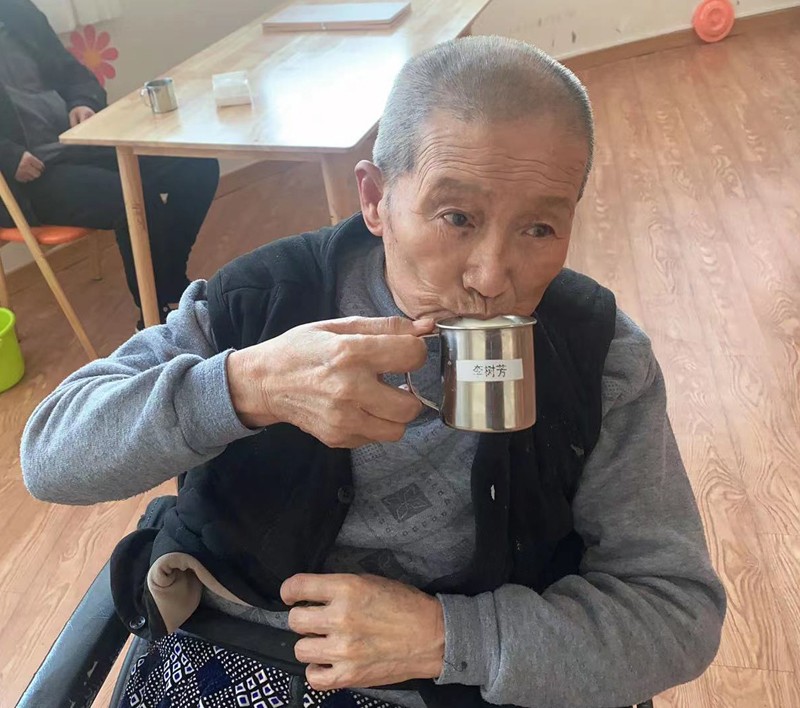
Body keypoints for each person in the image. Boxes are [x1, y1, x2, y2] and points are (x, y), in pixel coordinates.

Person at [21, 36, 726, 708]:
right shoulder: (260, 303)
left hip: (467, 679)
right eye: (456, 216)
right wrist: (246, 387)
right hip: (239, 648)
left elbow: (676, 611)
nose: (492, 277)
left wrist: (448, 636)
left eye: (539, 229)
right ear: (375, 198)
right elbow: (50, 455)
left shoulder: (598, 355)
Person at [0, 0, 219, 326]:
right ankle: (151, 316)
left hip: (76, 142)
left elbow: (73, 73)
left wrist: (82, 102)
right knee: (133, 200)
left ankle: (169, 279)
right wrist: (7, 155)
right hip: (27, 179)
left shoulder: (17, 10)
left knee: (195, 166)